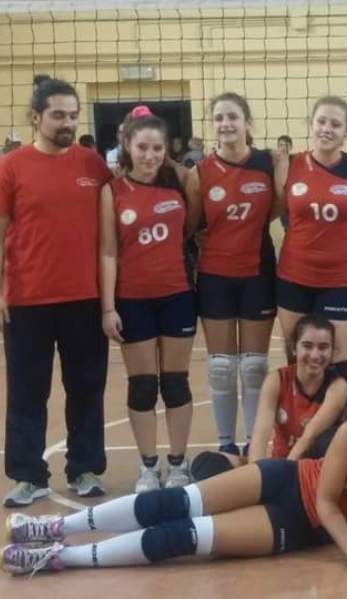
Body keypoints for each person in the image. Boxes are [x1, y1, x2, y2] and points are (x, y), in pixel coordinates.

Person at [2, 376, 347, 576]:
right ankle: (54, 527)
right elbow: (326, 500)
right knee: (174, 502)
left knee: (183, 536)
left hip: (298, 523)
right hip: (286, 479)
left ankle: (61, 558)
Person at [0, 78, 113, 506]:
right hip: (26, 300)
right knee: (27, 392)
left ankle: (84, 468)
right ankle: (29, 475)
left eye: (73, 115)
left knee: (86, 388)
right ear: (35, 118)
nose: (67, 122)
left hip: (84, 299)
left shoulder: (92, 164)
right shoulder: (11, 167)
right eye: (58, 115)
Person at [98, 108, 196, 493]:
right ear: (127, 145)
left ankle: (178, 464)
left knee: (175, 383)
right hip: (133, 299)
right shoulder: (113, 191)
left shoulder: (180, 182)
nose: (150, 155)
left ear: (166, 149)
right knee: (142, 386)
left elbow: (193, 229)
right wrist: (108, 308)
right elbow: (108, 252)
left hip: (177, 295)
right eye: (142, 147)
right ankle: (148, 466)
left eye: (157, 148)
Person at [185, 92, 282, 457]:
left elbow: (278, 208)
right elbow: (192, 225)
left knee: (254, 366)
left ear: (247, 122)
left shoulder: (268, 163)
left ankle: (254, 443)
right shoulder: (200, 173)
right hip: (215, 276)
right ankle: (226, 443)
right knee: (222, 368)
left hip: (257, 273)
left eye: (233, 117)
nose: (226, 124)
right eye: (219, 118)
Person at [190, 315, 347, 480]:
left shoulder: (338, 387)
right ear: (294, 348)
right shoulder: (277, 380)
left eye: (323, 347)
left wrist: (278, 478)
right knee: (207, 463)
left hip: (313, 471)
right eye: (307, 346)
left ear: (333, 352)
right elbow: (260, 435)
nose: (315, 355)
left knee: (327, 442)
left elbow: (307, 438)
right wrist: (255, 474)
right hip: (279, 463)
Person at [275, 96, 347, 372]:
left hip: (339, 279)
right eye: (322, 122)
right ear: (311, 124)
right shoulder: (289, 164)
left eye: (336, 124)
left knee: (336, 368)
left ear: (346, 131)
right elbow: (273, 209)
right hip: (293, 277)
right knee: (297, 366)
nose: (327, 129)